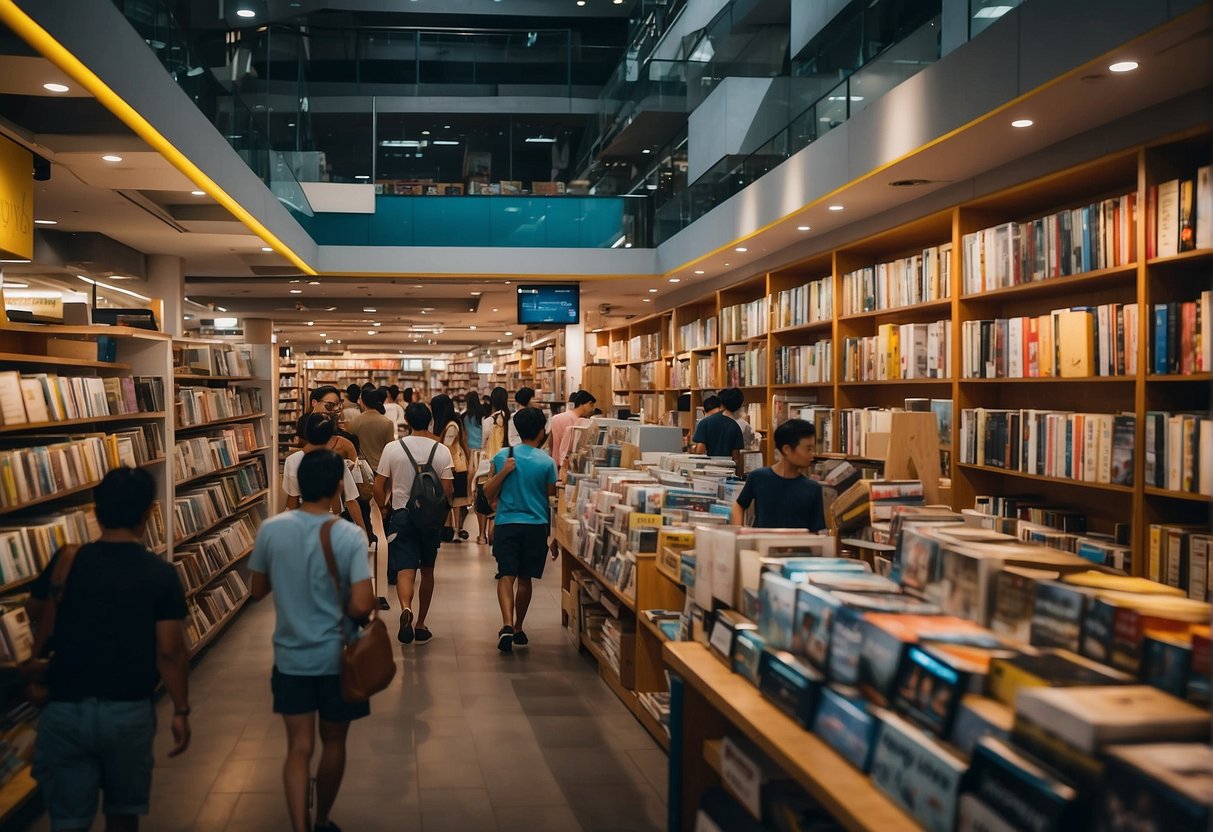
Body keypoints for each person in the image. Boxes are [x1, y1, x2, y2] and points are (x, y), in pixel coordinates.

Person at [29, 467, 191, 832]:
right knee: (123, 813)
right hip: (128, 710)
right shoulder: (159, 574)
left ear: (96, 510)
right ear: (149, 513)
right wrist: (181, 710)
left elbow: (33, 611)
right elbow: (169, 651)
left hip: (65, 707)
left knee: (68, 819)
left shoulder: (67, 562)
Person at [250, 450, 375, 832]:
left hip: (291, 657)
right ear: (339, 486)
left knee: (298, 747)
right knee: (334, 742)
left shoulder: (272, 530)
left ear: (298, 484)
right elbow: (361, 602)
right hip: (338, 657)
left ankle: (298, 827)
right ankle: (321, 819)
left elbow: (257, 590)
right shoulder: (349, 535)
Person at [373, 402, 454, 646]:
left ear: (406, 421)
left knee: (405, 570)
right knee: (427, 570)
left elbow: (379, 485)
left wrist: (385, 507)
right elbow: (449, 489)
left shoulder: (393, 448)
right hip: (430, 520)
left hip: (402, 515)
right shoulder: (442, 450)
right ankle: (420, 624)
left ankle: (406, 608)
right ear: (429, 421)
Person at [483, 407, 558, 653]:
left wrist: (504, 471)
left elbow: (488, 492)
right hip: (536, 526)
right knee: (525, 578)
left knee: (506, 574)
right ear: (541, 431)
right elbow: (551, 496)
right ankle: (517, 627)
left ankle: (505, 623)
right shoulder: (547, 462)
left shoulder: (503, 456)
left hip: (506, 523)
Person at [731, 418, 827, 532]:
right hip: (761, 547)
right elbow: (739, 505)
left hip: (798, 549)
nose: (812, 455)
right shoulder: (758, 477)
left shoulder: (813, 488)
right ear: (787, 449)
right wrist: (739, 532)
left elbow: (818, 531)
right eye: (808, 449)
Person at [283, 414, 369, 539]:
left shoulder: (292, 460)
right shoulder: (336, 461)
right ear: (330, 436)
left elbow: (292, 500)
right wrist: (363, 532)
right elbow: (350, 501)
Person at [348, 388, 396, 540]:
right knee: (382, 507)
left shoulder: (354, 423)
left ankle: (368, 535)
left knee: (364, 506)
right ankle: (385, 536)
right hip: (381, 471)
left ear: (363, 401)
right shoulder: (386, 423)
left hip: (361, 472)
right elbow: (390, 448)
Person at [431, 393, 471, 543]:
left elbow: (446, 447)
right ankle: (452, 529)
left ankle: (455, 530)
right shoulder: (452, 423)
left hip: (455, 467)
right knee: (453, 500)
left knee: (455, 501)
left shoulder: (451, 425)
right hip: (454, 465)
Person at [476, 387, 511, 545]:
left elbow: (484, 443)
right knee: (501, 497)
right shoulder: (511, 418)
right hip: (507, 462)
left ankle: (482, 535)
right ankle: (496, 530)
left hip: (490, 463)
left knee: (483, 496)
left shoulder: (489, 420)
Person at [308, 386, 358, 464]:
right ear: (314, 402)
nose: (335, 410)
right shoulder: (304, 424)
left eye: (338, 406)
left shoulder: (345, 438)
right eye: (330, 405)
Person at [549, 390, 597, 469]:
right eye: (591, 404)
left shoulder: (556, 418)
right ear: (582, 404)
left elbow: (552, 443)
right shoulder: (579, 422)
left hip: (556, 463)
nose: (592, 409)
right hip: (569, 465)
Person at [692, 388, 744, 457]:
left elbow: (700, 451)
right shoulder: (736, 427)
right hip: (728, 466)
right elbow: (735, 456)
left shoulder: (705, 422)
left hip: (708, 466)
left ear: (721, 403)